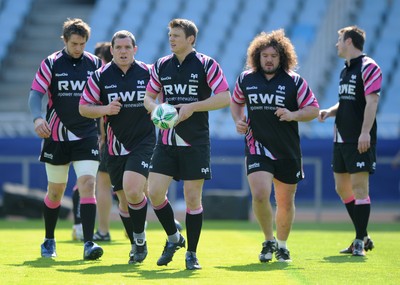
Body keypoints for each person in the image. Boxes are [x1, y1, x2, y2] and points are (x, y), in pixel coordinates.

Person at [144, 18, 231, 270]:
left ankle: (191, 253)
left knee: (192, 198)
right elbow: (148, 97)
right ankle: (174, 237)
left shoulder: (206, 64)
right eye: (170, 35)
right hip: (166, 140)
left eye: (177, 35)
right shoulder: (161, 65)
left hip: (196, 141)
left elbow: (225, 97)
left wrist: (193, 106)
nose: (171, 39)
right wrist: (157, 109)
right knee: (155, 192)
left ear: (191, 39)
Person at [230, 29, 319, 262]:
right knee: (260, 194)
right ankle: (268, 240)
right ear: (257, 57)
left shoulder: (294, 81)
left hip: (287, 149)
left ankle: (282, 245)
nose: (269, 59)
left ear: (282, 58)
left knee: (285, 201)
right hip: (256, 145)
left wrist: (293, 114)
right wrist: (238, 121)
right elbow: (236, 102)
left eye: (274, 55)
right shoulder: (245, 79)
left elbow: (313, 110)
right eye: (265, 55)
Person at [28, 18, 103, 260]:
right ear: (65, 40)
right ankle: (49, 239)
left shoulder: (95, 64)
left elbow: (103, 98)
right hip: (56, 136)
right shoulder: (51, 63)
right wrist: (38, 118)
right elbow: (35, 94)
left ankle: (89, 242)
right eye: (74, 44)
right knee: (55, 191)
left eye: (82, 44)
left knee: (88, 184)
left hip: (86, 134)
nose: (78, 48)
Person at [80, 30, 155, 264]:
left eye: (127, 47)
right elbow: (83, 107)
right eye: (119, 48)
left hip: (144, 142)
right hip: (114, 147)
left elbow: (163, 98)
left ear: (135, 49)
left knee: (134, 190)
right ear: (111, 50)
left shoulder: (150, 72)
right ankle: (135, 243)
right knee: (123, 200)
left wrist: (160, 109)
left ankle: (140, 240)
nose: (123, 51)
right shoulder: (100, 76)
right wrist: (104, 109)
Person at [318, 26, 381, 256]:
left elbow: (372, 102)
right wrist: (330, 111)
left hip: (359, 138)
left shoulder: (369, 67)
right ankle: (363, 235)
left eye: (339, 39)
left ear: (349, 41)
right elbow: (346, 102)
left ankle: (358, 241)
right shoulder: (345, 70)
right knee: (341, 188)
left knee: (359, 188)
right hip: (341, 138)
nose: (337, 44)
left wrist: (365, 133)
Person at [72, 41, 114, 242]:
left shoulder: (105, 79)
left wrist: (103, 137)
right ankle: (82, 227)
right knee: (93, 184)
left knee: (108, 185)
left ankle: (102, 230)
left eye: (100, 58)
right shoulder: (103, 80)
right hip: (108, 138)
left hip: (109, 139)